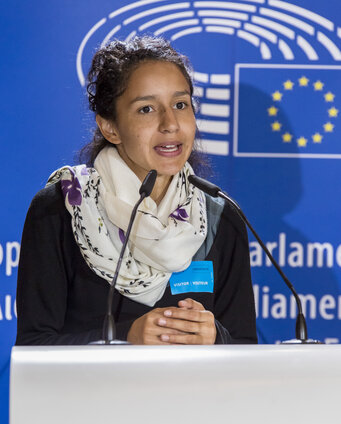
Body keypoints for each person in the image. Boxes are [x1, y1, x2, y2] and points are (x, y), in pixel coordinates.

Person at [16, 36, 257, 346]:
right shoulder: (62, 210)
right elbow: (33, 347)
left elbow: (244, 347)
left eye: (180, 105)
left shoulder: (219, 216)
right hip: (94, 394)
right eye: (146, 109)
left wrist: (215, 337)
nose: (170, 124)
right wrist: (125, 338)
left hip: (193, 394)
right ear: (110, 127)